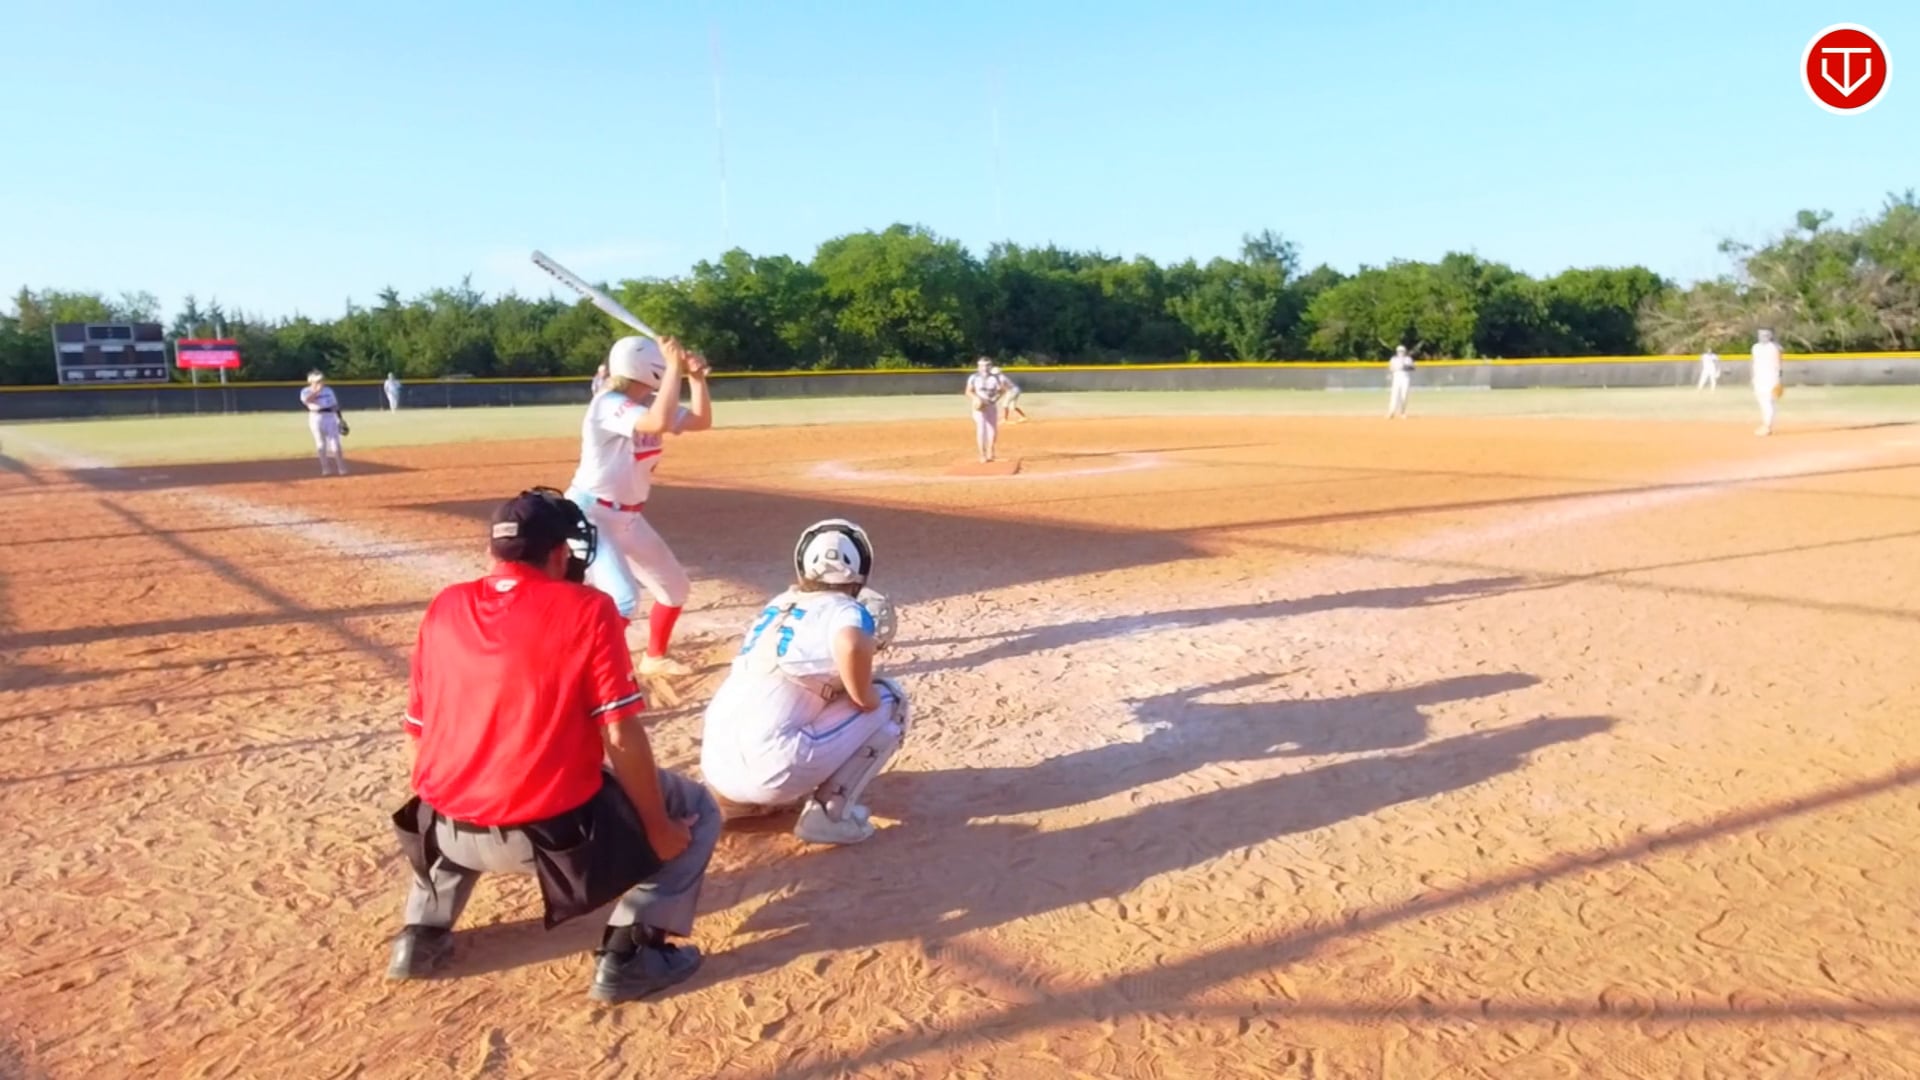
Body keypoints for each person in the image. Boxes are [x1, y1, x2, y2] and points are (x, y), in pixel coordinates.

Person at [386, 487, 721, 1003]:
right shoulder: (588, 607)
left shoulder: (445, 605)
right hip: (551, 843)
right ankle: (630, 953)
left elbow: (416, 732)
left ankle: (420, 934)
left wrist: (454, 796)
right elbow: (620, 734)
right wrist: (658, 827)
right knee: (695, 806)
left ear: (492, 552)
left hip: (446, 834)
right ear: (560, 554)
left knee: (460, 774)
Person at [699, 519, 908, 845]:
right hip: (771, 770)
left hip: (717, 771)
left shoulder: (776, 606)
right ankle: (828, 816)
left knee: (788, 702)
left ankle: (736, 804)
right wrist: (865, 697)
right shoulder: (846, 608)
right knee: (891, 699)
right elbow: (851, 644)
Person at [566, 335, 714, 693]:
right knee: (623, 597)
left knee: (675, 588)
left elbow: (700, 421)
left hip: (628, 518)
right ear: (649, 368)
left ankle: (654, 657)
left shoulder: (646, 403)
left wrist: (696, 379)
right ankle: (587, 672)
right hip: (590, 514)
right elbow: (657, 422)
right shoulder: (608, 404)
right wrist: (675, 367)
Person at [299, 371, 348, 476]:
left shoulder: (328, 390)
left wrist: (340, 418)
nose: (321, 382)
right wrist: (317, 391)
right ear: (311, 382)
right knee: (320, 444)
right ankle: (325, 469)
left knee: (335, 443)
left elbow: (335, 405)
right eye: (317, 381)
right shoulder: (305, 391)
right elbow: (307, 401)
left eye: (321, 380)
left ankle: (341, 468)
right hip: (316, 417)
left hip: (330, 417)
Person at [965, 358, 1007, 463]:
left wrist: (995, 399)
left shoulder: (996, 378)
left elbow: (1002, 390)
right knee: (981, 428)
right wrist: (976, 398)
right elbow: (968, 391)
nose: (985, 368)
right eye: (982, 365)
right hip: (979, 406)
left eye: (987, 365)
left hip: (991, 406)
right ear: (978, 367)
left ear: (991, 366)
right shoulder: (974, 378)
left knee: (992, 429)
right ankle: (982, 454)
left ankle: (990, 451)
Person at [1751, 328, 1783, 435]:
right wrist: (1753, 377)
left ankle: (1767, 426)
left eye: (1766, 334)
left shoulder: (1774, 347)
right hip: (1758, 378)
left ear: (1770, 336)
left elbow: (1779, 362)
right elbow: (1754, 363)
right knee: (1762, 401)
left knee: (1768, 401)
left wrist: (1779, 378)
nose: (1763, 337)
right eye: (1761, 334)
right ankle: (1766, 424)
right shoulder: (1755, 347)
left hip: (1771, 378)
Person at [1387, 346, 1414, 419]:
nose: (1401, 352)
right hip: (1396, 378)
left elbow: (1412, 368)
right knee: (1394, 395)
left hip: (1405, 378)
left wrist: (1405, 366)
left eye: (1402, 351)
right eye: (1399, 351)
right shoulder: (1393, 359)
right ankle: (1391, 412)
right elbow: (1391, 368)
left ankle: (1402, 412)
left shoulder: (1408, 359)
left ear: (1405, 352)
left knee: (1404, 396)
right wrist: (1391, 373)